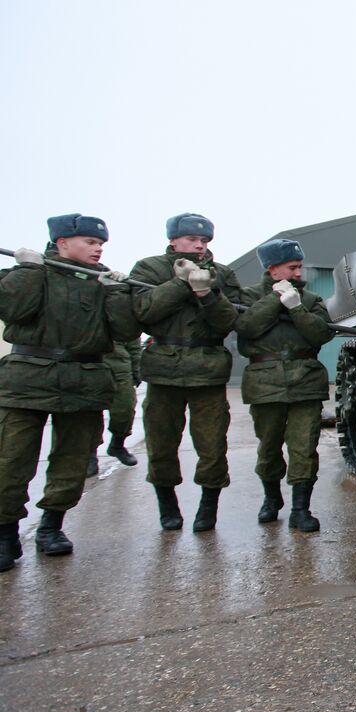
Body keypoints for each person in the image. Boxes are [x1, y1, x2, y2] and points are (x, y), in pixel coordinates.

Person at [0, 215, 140, 572]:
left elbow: (124, 331)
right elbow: (13, 309)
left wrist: (116, 292)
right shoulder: (30, 273)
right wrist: (27, 271)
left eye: (101, 245)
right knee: (12, 460)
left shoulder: (100, 282)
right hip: (28, 379)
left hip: (84, 379)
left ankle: (52, 527)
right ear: (62, 242)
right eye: (90, 243)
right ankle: (5, 534)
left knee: (72, 460)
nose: (98, 249)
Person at [130, 213, 241, 532]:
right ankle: (168, 505)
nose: (199, 245)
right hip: (164, 369)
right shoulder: (149, 268)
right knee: (161, 443)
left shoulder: (221, 274)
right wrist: (180, 283)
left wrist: (208, 294)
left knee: (212, 445)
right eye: (192, 239)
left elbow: (228, 321)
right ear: (173, 240)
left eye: (204, 241)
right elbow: (143, 312)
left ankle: (208, 507)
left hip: (207, 368)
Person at [234, 239, 333, 532]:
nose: (299, 272)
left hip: (306, 382)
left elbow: (320, 334)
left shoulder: (311, 299)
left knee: (304, 448)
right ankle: (271, 499)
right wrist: (274, 300)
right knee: (269, 448)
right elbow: (246, 329)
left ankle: (300, 510)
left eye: (300, 266)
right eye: (292, 267)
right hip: (266, 385)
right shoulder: (248, 296)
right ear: (273, 269)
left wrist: (295, 307)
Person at [87, 314, 142, 476]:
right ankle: (90, 454)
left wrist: (136, 367)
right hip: (89, 363)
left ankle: (118, 444)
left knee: (125, 408)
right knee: (90, 414)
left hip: (120, 365)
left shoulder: (119, 301)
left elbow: (133, 338)